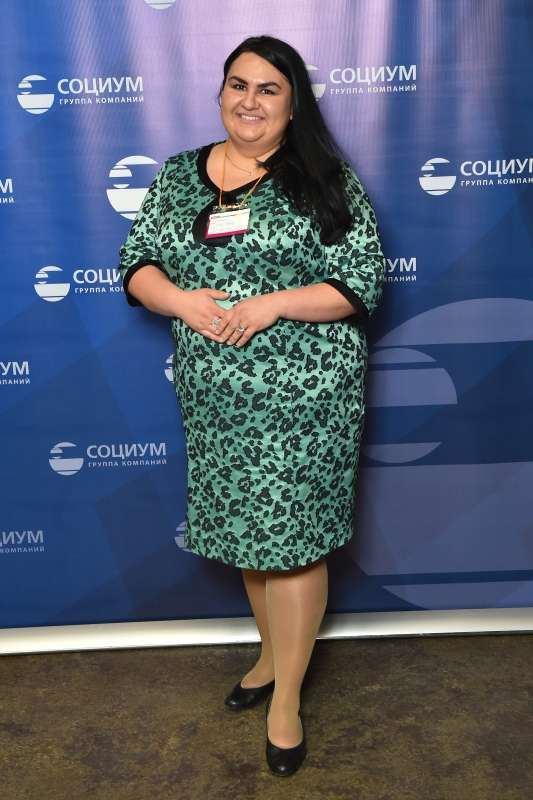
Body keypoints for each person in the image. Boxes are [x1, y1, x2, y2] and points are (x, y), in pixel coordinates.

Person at [119, 35, 384, 777]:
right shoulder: (179, 174)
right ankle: (271, 657)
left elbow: (359, 280)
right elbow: (137, 262)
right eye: (238, 84)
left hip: (305, 397)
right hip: (217, 398)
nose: (249, 100)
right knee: (249, 532)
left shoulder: (322, 177)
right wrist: (180, 301)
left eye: (269, 88)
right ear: (221, 93)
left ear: (294, 103)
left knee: (291, 541)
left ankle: (286, 701)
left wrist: (272, 303)